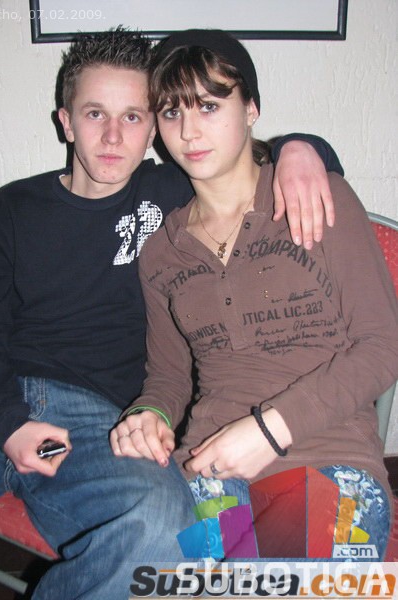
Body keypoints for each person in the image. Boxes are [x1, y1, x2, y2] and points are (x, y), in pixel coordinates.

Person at [0, 28, 342, 598]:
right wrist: (8, 424)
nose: (113, 136)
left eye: (133, 117)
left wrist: (302, 148)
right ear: (66, 122)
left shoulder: (175, 191)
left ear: (154, 128)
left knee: (168, 536)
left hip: (95, 430)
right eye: (95, 114)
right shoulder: (11, 208)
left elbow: (256, 152)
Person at [111, 29, 398, 561]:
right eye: (172, 113)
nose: (189, 131)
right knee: (172, 574)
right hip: (211, 470)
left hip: (330, 462)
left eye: (209, 106)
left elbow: (383, 347)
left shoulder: (317, 198)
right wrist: (150, 412)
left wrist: (269, 430)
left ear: (250, 110)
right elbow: (169, 375)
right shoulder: (162, 251)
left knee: (290, 586)